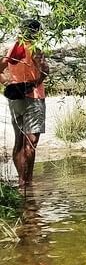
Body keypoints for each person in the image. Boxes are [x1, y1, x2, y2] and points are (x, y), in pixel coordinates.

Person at [0, 19, 48, 191]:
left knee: (19, 141)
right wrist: (34, 83)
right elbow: (44, 71)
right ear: (36, 32)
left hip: (15, 98)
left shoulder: (13, 48)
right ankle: (27, 182)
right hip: (34, 98)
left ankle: (21, 181)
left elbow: (1, 67)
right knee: (31, 142)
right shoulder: (35, 49)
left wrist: (7, 83)